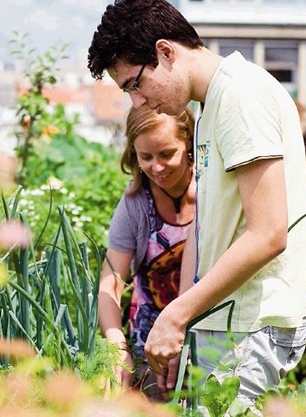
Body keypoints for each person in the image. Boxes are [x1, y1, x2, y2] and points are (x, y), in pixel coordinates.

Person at [88, 0, 306, 410]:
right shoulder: (211, 106)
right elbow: (206, 231)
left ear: (165, 52)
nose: (137, 101)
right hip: (223, 323)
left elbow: (269, 233)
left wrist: (174, 315)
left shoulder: (240, 96)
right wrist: (186, 322)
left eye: (135, 84)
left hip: (251, 324)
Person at [99, 105, 196, 401]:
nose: (157, 167)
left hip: (207, 343)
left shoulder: (212, 192)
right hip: (151, 346)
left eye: (167, 154)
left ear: (189, 144)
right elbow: (111, 281)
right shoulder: (135, 204)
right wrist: (116, 343)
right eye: (146, 157)